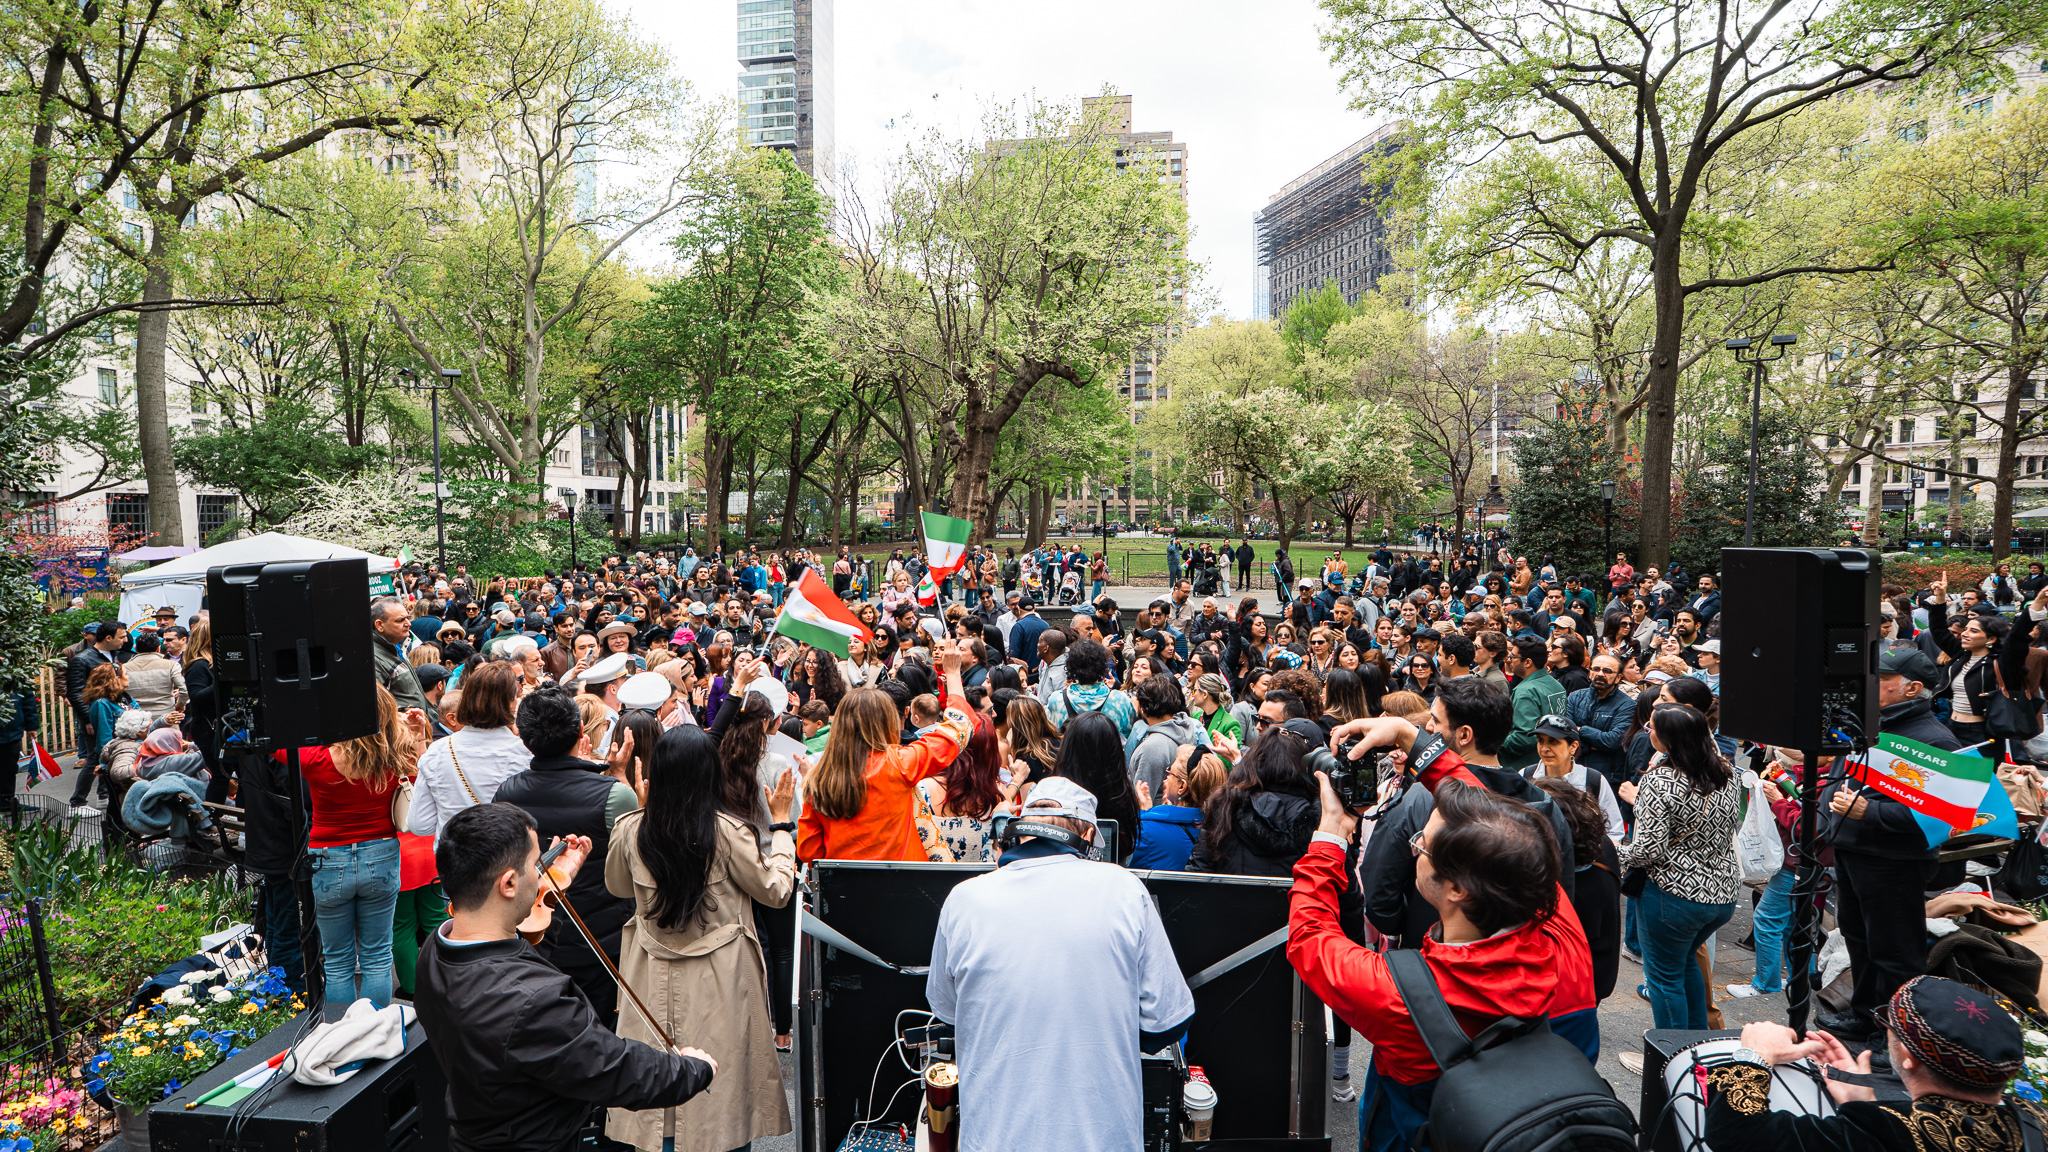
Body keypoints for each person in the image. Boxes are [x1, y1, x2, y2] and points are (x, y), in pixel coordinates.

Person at [1291, 722, 1596, 1152]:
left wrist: (1330, 838)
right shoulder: (1552, 914)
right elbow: (1491, 820)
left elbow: (1309, 938)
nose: (1415, 849)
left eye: (1422, 843)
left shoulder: (1396, 996)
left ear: (1456, 888)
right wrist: (1409, 737)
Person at [413, 803, 717, 1152]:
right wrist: (694, 1070)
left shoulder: (437, 949)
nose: (542, 872)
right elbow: (614, 1067)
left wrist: (550, 892)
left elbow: (511, 967)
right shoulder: (533, 1003)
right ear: (508, 883)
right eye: (535, 865)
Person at [925, 777, 1196, 1152]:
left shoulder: (963, 900)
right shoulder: (1125, 890)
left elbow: (949, 1013)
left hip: (995, 1140)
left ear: (1022, 829)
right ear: (1087, 832)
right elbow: (1166, 1023)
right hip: (1102, 1140)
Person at [604, 726, 795, 1152]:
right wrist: (781, 828)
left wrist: (638, 813)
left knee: (656, 1085)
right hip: (721, 976)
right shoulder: (728, 832)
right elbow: (777, 891)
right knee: (722, 1096)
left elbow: (618, 886)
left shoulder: (633, 828)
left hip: (650, 974)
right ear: (711, 774)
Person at [1705, 977, 2043, 1152]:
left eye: (1889, 1026)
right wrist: (1861, 1102)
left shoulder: (1887, 1133)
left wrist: (1756, 1054)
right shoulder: (2036, 1120)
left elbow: (1736, 1135)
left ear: (1907, 1059)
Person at [1815, 645, 1961, 1042]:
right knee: (1860, 940)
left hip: (1892, 861)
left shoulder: (1934, 740)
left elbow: (1946, 816)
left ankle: (1894, 1036)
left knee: (1894, 953)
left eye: (1882, 678)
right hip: (1854, 852)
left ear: (1912, 688)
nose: (1870, 683)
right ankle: (1865, 1015)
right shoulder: (1874, 724)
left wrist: (1870, 814)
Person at [492, 688, 639, 1022]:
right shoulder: (616, 795)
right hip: (603, 938)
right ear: (580, 733)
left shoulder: (507, 792)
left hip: (536, 933)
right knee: (602, 1030)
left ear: (526, 739)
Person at [1616, 702, 1739, 1032]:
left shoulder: (1660, 781)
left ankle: (1672, 1058)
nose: (1647, 732)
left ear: (1668, 739)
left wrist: (1614, 852)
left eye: (1651, 728)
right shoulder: (1726, 773)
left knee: (1664, 978)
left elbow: (1648, 849)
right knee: (1685, 967)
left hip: (1675, 896)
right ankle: (1698, 1049)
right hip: (1722, 895)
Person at [302, 685, 423, 1007]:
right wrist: (418, 734)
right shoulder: (397, 757)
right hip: (381, 853)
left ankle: (345, 1038)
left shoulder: (316, 758)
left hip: (328, 859)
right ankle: (377, 1036)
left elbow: (271, 744)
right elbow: (422, 773)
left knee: (339, 962)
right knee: (377, 957)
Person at [797, 642, 972, 862]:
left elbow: (809, 853)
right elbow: (958, 730)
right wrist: (954, 674)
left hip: (845, 891)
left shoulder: (817, 781)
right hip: (901, 886)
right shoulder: (900, 763)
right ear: (885, 722)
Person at [409, 663, 533, 842]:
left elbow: (419, 824)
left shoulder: (437, 751)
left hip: (453, 857)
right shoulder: (524, 753)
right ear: (510, 703)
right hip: (506, 855)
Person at [915, 714, 1021, 863]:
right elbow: (1004, 855)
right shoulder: (998, 793)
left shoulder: (923, 790)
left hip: (932, 882)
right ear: (989, 751)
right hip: (980, 881)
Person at [1501, 635, 1566, 771]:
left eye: (1513, 657)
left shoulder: (1526, 691)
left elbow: (1524, 736)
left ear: (1528, 662)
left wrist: (1492, 745)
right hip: (1551, 763)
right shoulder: (1556, 685)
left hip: (1524, 767)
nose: (1509, 660)